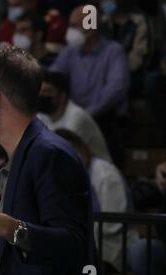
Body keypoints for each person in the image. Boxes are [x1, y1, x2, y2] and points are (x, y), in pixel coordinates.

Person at [0, 44, 103, 275]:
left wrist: (6, 227)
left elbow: (73, 245)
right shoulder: (20, 158)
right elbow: (11, 268)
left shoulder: (50, 154)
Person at [50, 5, 130, 168]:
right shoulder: (70, 52)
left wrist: (88, 113)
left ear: (91, 28)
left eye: (74, 26)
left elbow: (116, 88)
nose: (70, 31)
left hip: (104, 119)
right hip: (74, 118)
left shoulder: (113, 51)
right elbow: (52, 78)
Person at [55, 129, 138, 275]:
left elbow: (112, 224)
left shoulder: (105, 174)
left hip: (115, 247)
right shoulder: (68, 178)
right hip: (88, 245)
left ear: (80, 149)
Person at [37, 71, 112, 162]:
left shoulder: (77, 117)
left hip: (96, 172)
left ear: (62, 96)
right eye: (40, 92)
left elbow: (59, 152)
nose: (42, 96)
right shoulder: (41, 116)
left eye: (47, 91)